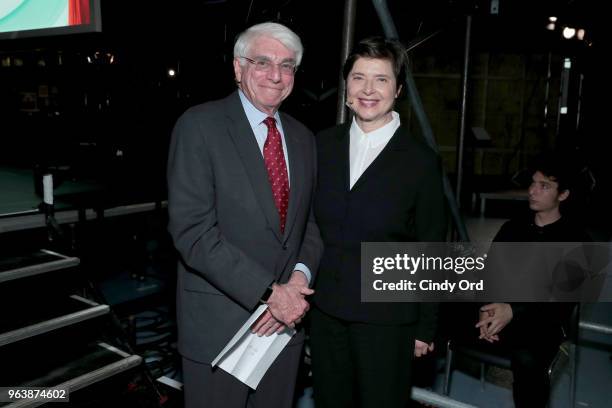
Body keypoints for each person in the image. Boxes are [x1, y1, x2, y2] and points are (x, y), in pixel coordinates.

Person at [167, 22, 323, 408]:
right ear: (238, 69)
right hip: (220, 329)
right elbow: (193, 233)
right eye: (263, 62)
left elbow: (311, 226)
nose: (276, 74)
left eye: (287, 65)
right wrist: (270, 294)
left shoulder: (304, 138)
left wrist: (297, 284)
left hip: (283, 330)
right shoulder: (199, 126)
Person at [309, 37, 447, 408]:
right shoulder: (322, 146)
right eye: (358, 77)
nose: (368, 90)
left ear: (398, 89)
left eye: (381, 79)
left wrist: (425, 327)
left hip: (388, 319)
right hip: (326, 314)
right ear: (346, 86)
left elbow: (433, 246)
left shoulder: (421, 161)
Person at [475, 153, 589, 407]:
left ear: (564, 195)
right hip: (499, 311)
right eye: (533, 184)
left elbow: (560, 304)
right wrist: (486, 309)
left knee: (528, 361)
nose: (533, 191)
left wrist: (512, 311)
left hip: (542, 321)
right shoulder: (512, 229)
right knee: (432, 320)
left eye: (544, 186)